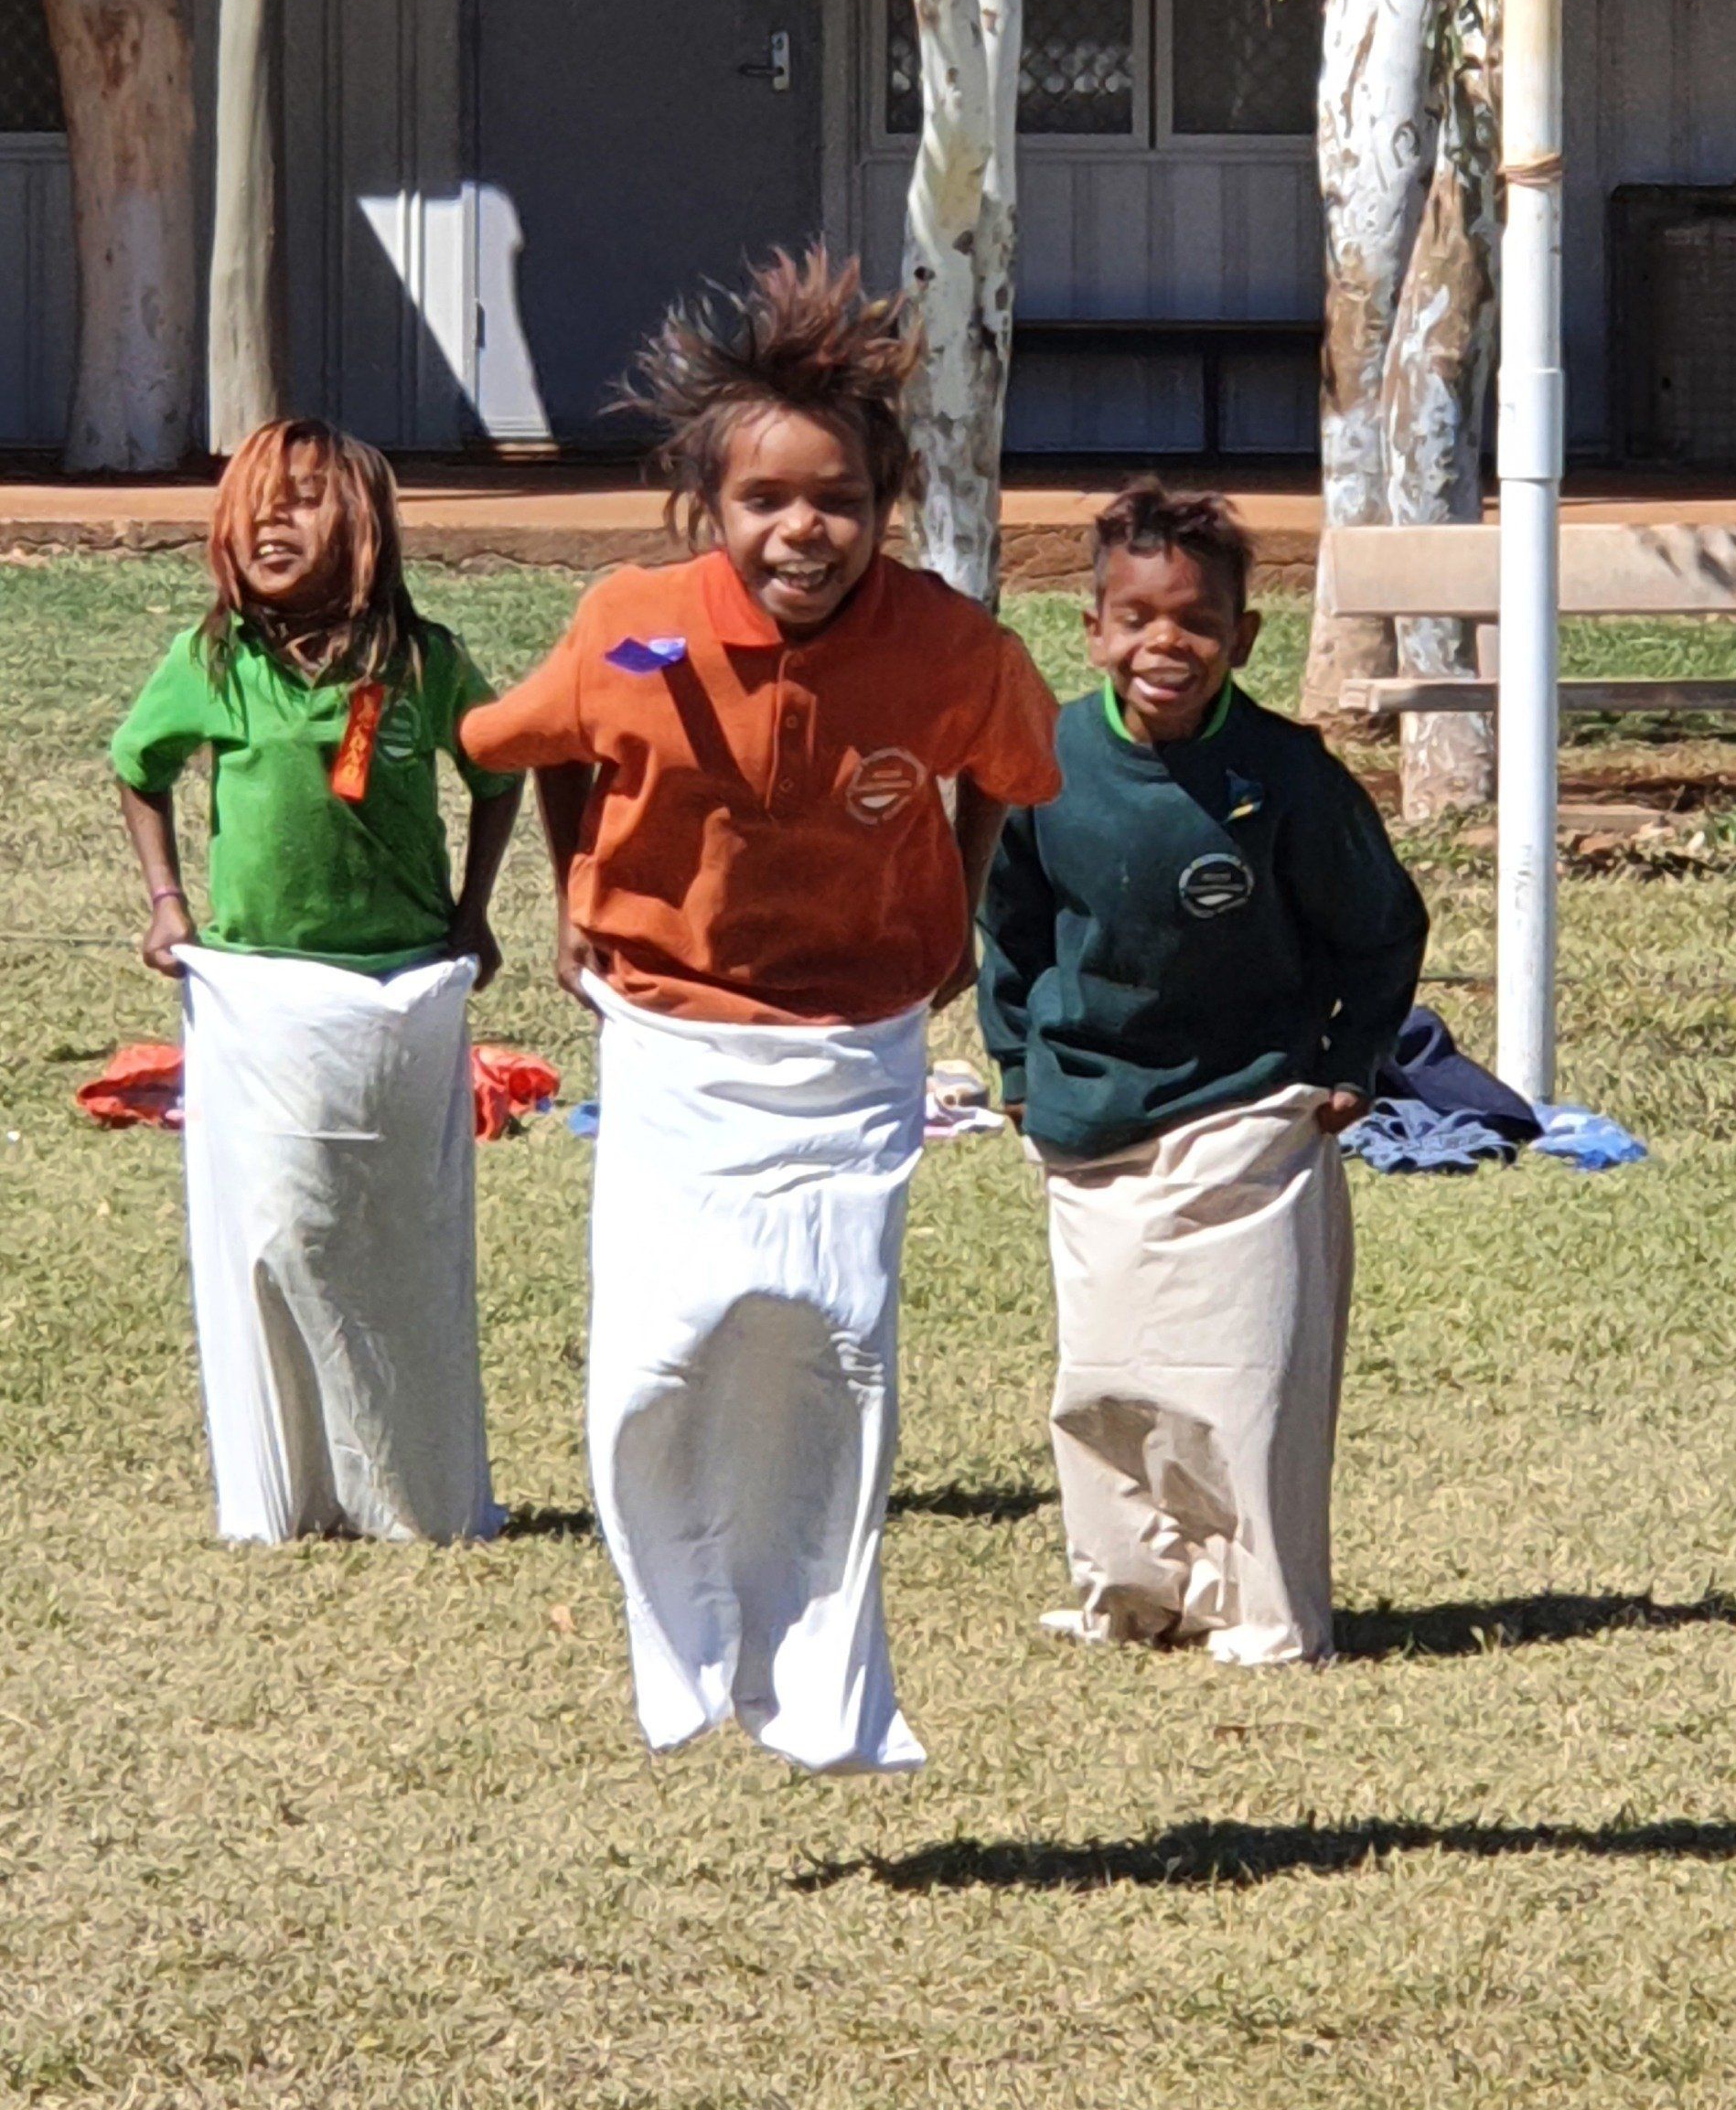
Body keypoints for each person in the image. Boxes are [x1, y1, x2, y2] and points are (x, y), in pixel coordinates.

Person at [459, 250, 1061, 1772]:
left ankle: (819, 1688)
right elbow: (525, 742)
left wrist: (952, 921)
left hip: (852, 1052)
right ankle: (680, 1653)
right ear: (709, 507)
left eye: (841, 500)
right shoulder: (630, 622)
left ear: (888, 496)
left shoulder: (945, 643)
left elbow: (1009, 770)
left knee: (835, 1347)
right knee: (664, 1357)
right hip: (673, 1044)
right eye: (766, 502)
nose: (805, 531)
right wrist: (576, 898)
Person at [978, 484, 1427, 1665]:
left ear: (1244, 637)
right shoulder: (1047, 760)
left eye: (1196, 623)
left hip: (1249, 1106)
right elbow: (1010, 927)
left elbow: (1381, 927)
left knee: (1242, 1381)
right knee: (1109, 1376)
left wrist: (1347, 1064)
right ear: (1091, 628)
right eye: (1134, 618)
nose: (1163, 646)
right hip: (1091, 1112)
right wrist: (1018, 1060)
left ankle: (1270, 1616)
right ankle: (1134, 1593)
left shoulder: (1285, 774)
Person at [112, 419, 521, 1546]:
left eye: (301, 501)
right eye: (252, 505)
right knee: (283, 1227)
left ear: (366, 527)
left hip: (397, 992)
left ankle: (409, 1480)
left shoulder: (422, 662)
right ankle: (293, 1485)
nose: (270, 523)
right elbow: (136, 767)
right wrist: (167, 904)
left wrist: (474, 913)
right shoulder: (212, 663)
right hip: (261, 998)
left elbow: (498, 773)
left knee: (392, 1231)